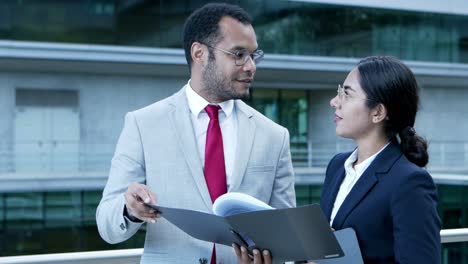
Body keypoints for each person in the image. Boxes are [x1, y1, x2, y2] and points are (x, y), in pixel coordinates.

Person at [95, 3, 296, 264]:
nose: (250, 67)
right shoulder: (143, 124)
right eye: (238, 54)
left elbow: (285, 233)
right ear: (199, 53)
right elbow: (106, 224)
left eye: (253, 55)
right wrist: (130, 209)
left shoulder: (275, 136)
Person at [320, 56, 441, 263]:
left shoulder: (409, 182)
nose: (334, 102)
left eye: (346, 94)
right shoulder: (337, 166)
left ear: (378, 112)